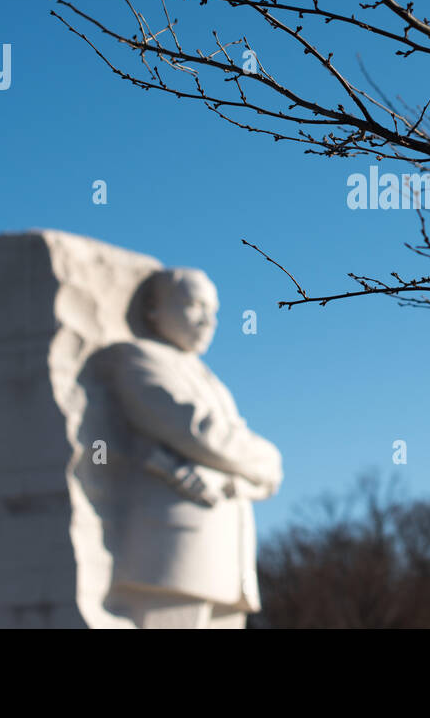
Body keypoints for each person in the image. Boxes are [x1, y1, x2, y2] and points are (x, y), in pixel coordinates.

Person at [86, 268, 282, 628]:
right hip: (174, 551)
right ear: (154, 309)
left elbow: (258, 463)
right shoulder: (137, 357)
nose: (208, 320)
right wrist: (265, 457)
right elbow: (199, 432)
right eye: (193, 305)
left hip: (226, 555)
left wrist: (267, 463)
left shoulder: (209, 378)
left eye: (214, 310)